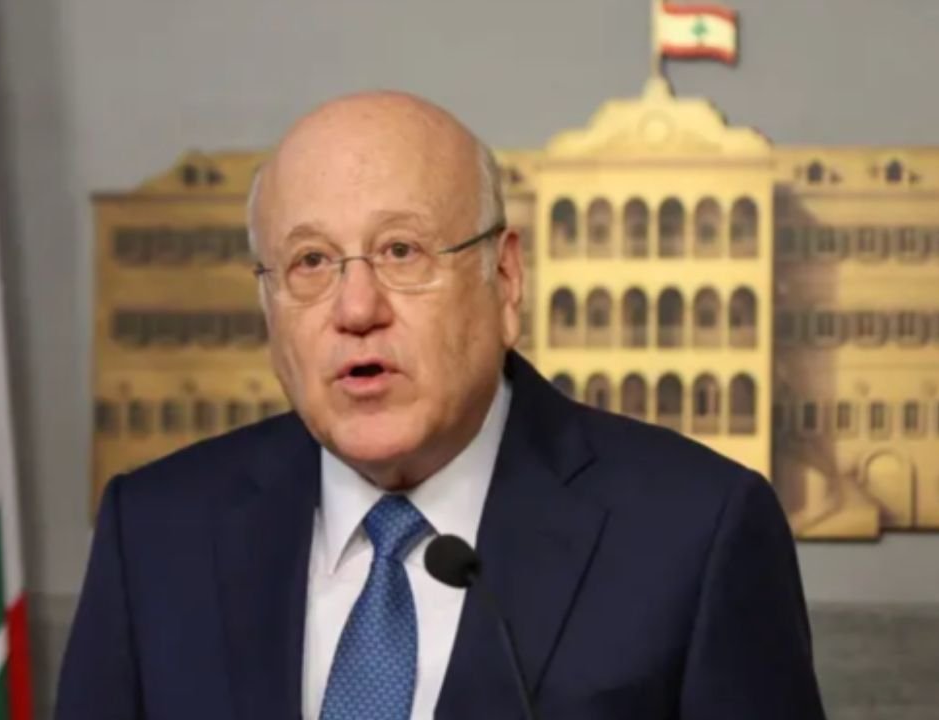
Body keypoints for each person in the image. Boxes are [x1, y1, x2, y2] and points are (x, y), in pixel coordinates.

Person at [56, 91, 826, 719]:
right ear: (267, 306)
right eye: (311, 262)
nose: (357, 308)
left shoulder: (696, 532)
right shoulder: (155, 534)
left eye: (402, 251)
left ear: (505, 280)